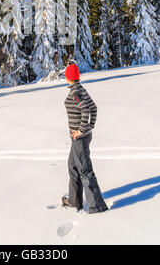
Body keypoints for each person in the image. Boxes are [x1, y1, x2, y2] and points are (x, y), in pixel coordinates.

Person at [62, 63, 108, 214]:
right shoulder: (81, 89)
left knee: (85, 170)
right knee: (72, 166)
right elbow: (93, 107)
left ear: (68, 77)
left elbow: (86, 108)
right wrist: (90, 126)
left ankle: (97, 206)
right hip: (81, 137)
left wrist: (82, 129)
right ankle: (75, 201)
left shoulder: (75, 92)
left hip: (80, 138)